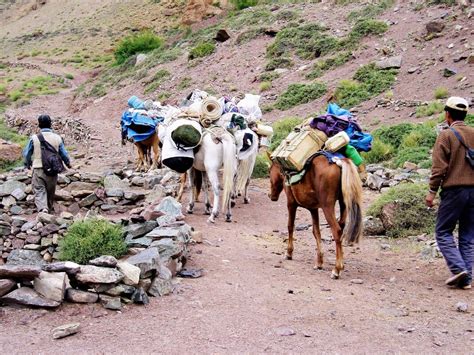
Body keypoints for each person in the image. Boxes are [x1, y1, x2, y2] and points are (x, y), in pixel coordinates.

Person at [425, 97, 473, 290]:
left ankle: (458, 268)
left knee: (443, 231)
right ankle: (467, 279)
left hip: (454, 191)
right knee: (468, 236)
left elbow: (439, 169)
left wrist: (431, 192)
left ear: (447, 114)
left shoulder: (446, 135)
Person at [23, 114, 71, 214]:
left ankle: (43, 209)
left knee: (39, 189)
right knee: (50, 190)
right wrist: (68, 163)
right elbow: (64, 154)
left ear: (39, 125)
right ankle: (49, 209)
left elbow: (27, 153)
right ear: (50, 124)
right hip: (53, 169)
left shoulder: (34, 138)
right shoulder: (57, 138)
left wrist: (27, 164)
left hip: (38, 168)